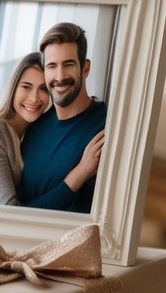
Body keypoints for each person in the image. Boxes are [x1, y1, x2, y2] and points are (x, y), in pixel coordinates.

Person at [17, 22, 106, 213]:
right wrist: (81, 172)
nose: (60, 76)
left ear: (85, 68)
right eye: (51, 66)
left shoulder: (106, 123)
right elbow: (22, 214)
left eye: (68, 64)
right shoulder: (34, 126)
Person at [0, 52, 49, 205]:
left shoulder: (37, 133)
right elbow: (5, 207)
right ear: (13, 88)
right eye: (26, 87)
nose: (34, 98)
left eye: (43, 89)